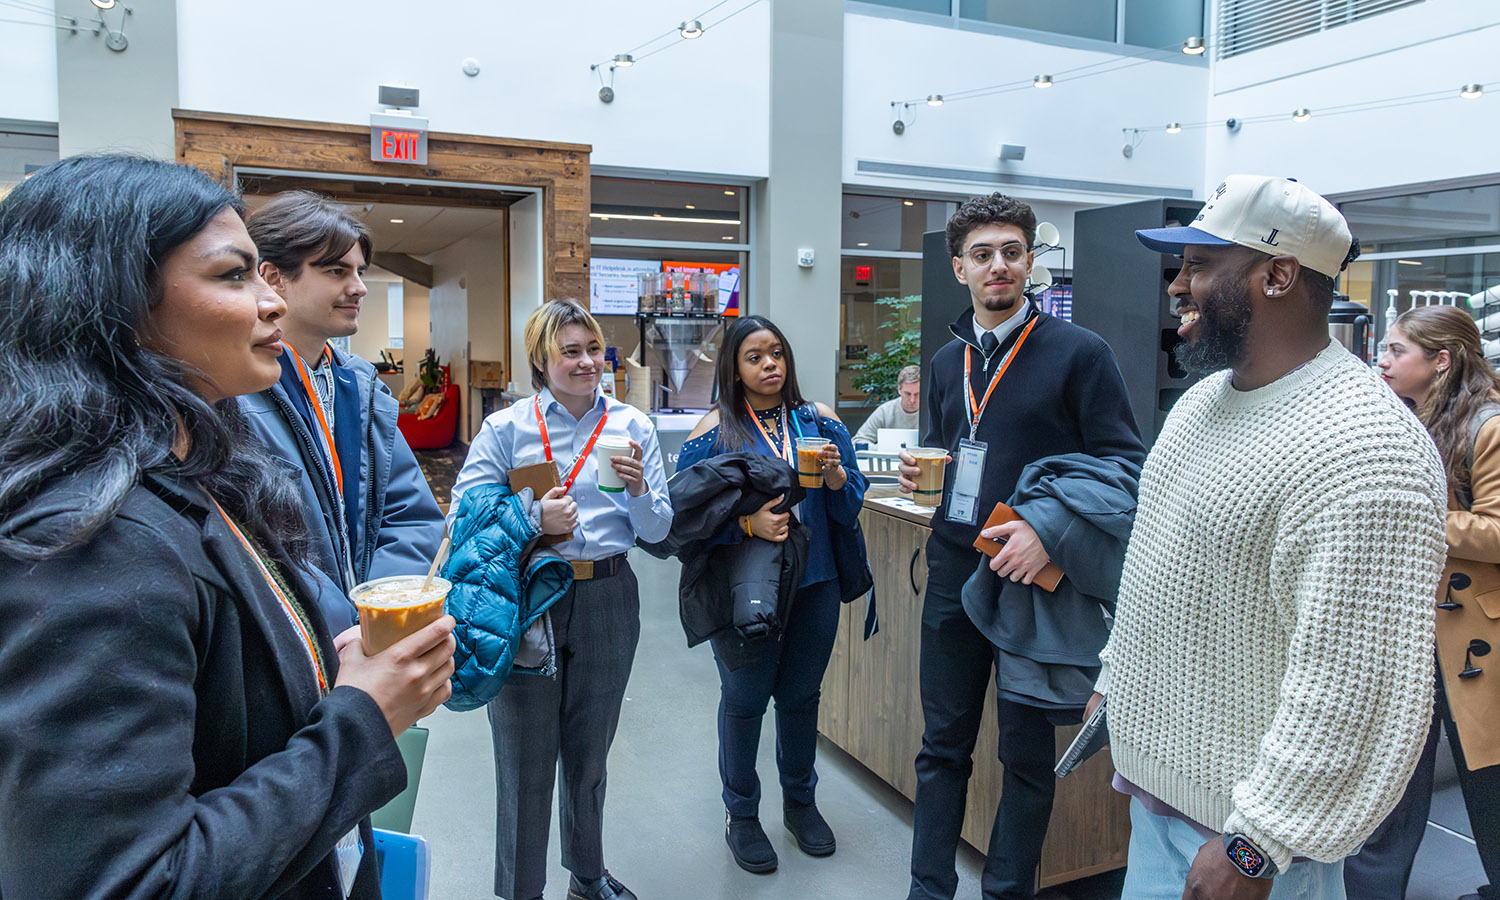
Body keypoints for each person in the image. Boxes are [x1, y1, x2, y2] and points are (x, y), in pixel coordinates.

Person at [0, 154, 456, 898]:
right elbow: (127, 879)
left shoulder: (202, 473)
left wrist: (334, 651)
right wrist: (364, 714)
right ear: (116, 300)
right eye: (233, 275)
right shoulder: (93, 546)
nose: (268, 301)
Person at [1094, 174, 1447, 899]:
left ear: (1278, 275)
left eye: (1199, 265)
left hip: (1254, 848)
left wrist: (1260, 843)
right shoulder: (1200, 404)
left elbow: (1354, 687)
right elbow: (1164, 573)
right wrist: (1116, 676)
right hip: (1163, 806)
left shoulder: (1366, 445)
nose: (1176, 286)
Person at [897, 193, 1146, 900]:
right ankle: (927, 890)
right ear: (959, 268)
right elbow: (954, 450)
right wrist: (926, 469)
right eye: (982, 255)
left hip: (1033, 582)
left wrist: (1051, 533)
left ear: (1031, 261)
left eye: (1011, 251)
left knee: (1026, 758)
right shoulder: (948, 362)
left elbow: (1127, 469)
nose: (998, 266)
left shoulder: (1081, 354)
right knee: (940, 749)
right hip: (953, 572)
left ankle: (1006, 893)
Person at [448, 299, 672, 900]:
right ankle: (521, 889)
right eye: (570, 351)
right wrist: (531, 515)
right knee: (523, 755)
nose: (585, 362)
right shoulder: (508, 428)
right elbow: (464, 518)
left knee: (591, 748)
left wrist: (641, 492)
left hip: (608, 593)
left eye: (593, 349)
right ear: (541, 361)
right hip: (528, 599)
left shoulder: (634, 426)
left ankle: (588, 876)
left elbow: (656, 532)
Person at [678, 314, 871, 875]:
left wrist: (837, 480)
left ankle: (800, 803)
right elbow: (684, 520)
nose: (770, 365)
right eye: (755, 357)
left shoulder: (821, 424)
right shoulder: (714, 432)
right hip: (749, 590)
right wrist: (745, 526)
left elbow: (850, 507)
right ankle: (741, 815)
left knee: (801, 697)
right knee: (744, 702)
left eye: (777, 354)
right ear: (734, 370)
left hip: (817, 584)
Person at [1346, 304, 1500, 900]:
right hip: (1409, 630)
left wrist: (1419, 517)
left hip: (1470, 642)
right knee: (1390, 789)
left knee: (1486, 786)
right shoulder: (1405, 418)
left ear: (1440, 361)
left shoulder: (1487, 425)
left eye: (1395, 352)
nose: (1381, 362)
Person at [241, 190, 445, 631]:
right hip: (295, 642)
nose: (359, 287)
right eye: (336, 271)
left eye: (359, 271)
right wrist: (339, 629)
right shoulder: (233, 393)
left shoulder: (361, 385)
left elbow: (408, 513)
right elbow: (257, 547)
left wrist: (378, 611)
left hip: (366, 640)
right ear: (273, 277)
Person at [854, 363, 921, 446]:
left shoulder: (932, 412)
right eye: (907, 394)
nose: (912, 400)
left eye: (917, 394)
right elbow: (858, 441)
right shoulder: (885, 411)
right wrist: (881, 449)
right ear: (899, 389)